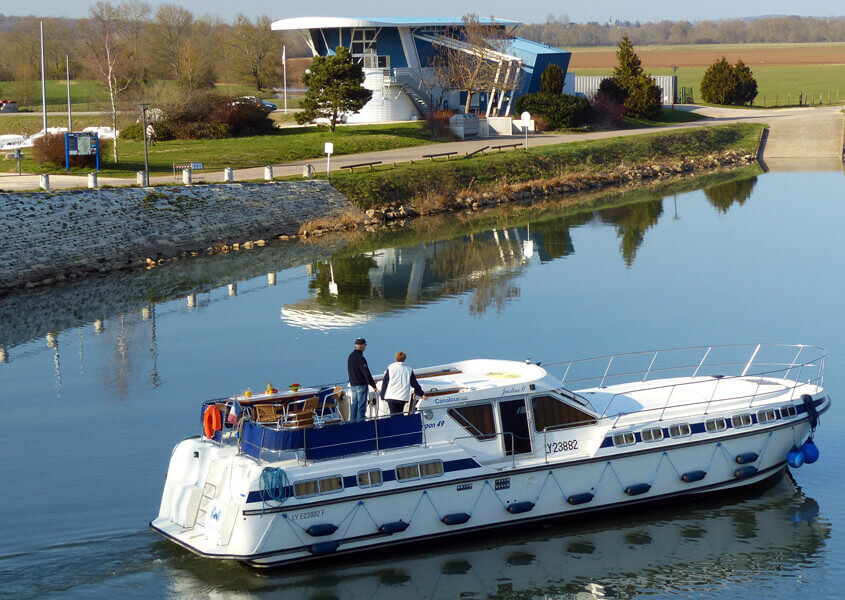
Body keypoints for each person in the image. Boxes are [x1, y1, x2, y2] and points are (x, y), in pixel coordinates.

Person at [380, 351, 427, 416]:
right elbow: (414, 384)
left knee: (393, 415)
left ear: (396, 358)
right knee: (400, 414)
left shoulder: (391, 368)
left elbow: (385, 383)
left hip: (391, 396)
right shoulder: (408, 369)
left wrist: (382, 395)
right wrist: (421, 394)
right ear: (404, 358)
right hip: (402, 397)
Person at [347, 338, 378, 422]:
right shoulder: (360, 358)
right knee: (361, 406)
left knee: (354, 404)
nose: (366, 346)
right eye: (365, 345)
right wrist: (373, 386)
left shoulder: (351, 356)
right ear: (362, 346)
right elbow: (366, 373)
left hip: (353, 384)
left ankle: (352, 423)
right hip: (361, 385)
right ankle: (361, 424)